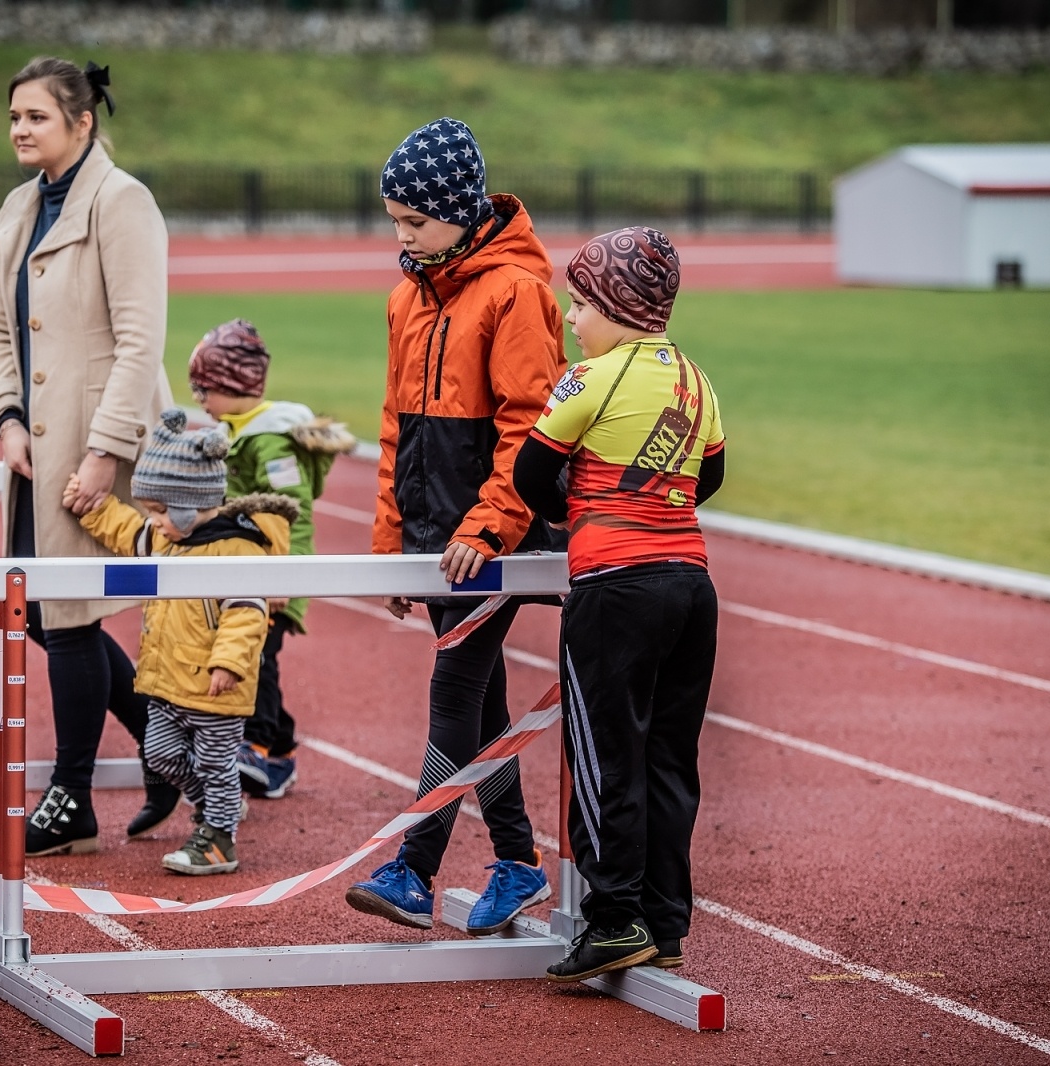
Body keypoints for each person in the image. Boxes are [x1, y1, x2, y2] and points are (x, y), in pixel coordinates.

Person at [345, 117, 566, 936]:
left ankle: (414, 868)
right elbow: (396, 427)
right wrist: (391, 546)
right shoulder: (407, 296)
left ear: (461, 209)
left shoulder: (516, 294)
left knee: (456, 690)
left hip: (488, 541)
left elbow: (529, 426)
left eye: (414, 222)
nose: (399, 237)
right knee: (479, 698)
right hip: (434, 542)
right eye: (393, 220)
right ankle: (517, 864)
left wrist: (492, 523)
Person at [511, 227, 726, 981]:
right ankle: (664, 923)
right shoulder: (697, 380)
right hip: (690, 586)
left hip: (614, 585)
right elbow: (710, 481)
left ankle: (612, 921)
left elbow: (532, 475)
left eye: (578, 303)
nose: (572, 319)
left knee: (604, 757)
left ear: (612, 304)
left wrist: (584, 508)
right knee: (671, 758)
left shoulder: (587, 378)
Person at [0, 56, 174, 856]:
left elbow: (140, 340)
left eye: (37, 117)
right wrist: (8, 418)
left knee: (66, 617)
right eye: (14, 116)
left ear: (82, 122)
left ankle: (71, 795)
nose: (21, 129)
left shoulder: (124, 203)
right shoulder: (21, 207)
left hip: (98, 445)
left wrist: (104, 452)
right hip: (34, 448)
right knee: (43, 611)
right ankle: (167, 748)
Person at [72, 409, 297, 874]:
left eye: (159, 511)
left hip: (216, 691)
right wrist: (94, 506)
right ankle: (221, 807)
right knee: (159, 754)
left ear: (189, 506)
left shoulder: (236, 549)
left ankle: (217, 840)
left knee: (217, 766)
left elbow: (246, 614)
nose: (153, 522)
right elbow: (126, 530)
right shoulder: (167, 540)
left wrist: (229, 664)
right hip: (167, 684)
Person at [187, 319, 356, 800]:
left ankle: (257, 745)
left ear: (234, 386)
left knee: (255, 654)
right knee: (246, 650)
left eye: (205, 388)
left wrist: (282, 575)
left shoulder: (270, 441)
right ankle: (280, 748)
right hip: (249, 567)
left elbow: (293, 513)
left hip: (277, 571)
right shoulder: (232, 431)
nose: (199, 397)